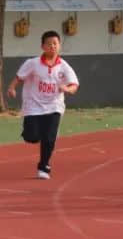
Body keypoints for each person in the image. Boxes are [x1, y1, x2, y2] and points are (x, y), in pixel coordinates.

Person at [7, 30, 79, 180]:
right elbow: (19, 77)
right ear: (42, 46)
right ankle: (36, 133)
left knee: (49, 138)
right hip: (33, 105)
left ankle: (43, 167)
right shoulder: (32, 63)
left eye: (55, 43)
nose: (52, 46)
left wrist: (67, 89)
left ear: (59, 46)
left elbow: (74, 85)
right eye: (49, 44)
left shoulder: (64, 66)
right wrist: (12, 87)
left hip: (54, 106)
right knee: (31, 137)